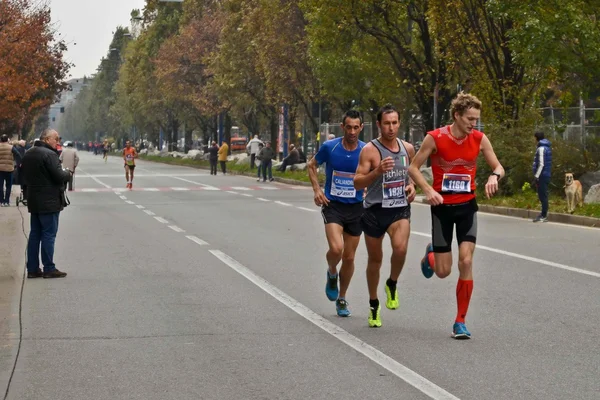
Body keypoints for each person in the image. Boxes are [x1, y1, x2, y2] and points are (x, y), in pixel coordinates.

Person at [408, 92, 504, 339]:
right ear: (457, 115)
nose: (474, 124)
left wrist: (495, 176)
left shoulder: (480, 139)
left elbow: (498, 166)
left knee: (467, 261)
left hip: (467, 207)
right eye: (470, 119)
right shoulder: (435, 138)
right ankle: (431, 254)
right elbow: (413, 167)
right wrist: (428, 189)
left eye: (476, 119)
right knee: (443, 272)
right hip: (441, 208)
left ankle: (460, 321)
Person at [353, 104, 416, 328]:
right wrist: (377, 171)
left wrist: (412, 187)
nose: (391, 128)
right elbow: (357, 181)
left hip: (399, 208)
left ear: (399, 123)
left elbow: (410, 175)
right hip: (374, 210)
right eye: (387, 123)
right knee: (375, 260)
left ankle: (392, 283)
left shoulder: (407, 149)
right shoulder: (370, 150)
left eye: (395, 123)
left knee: (400, 248)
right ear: (379, 124)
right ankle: (373, 303)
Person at [308, 110, 366, 317]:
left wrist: (369, 186)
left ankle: (342, 298)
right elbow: (311, 165)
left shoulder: (365, 150)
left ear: (361, 127)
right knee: (336, 249)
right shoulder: (330, 147)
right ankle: (332, 271)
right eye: (348, 127)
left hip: (357, 207)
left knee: (349, 258)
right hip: (333, 206)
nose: (352, 131)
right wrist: (317, 189)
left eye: (355, 127)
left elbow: (374, 173)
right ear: (342, 127)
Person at [21, 129, 71, 279]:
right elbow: (58, 176)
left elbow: (23, 176)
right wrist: (67, 173)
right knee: (49, 234)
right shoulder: (50, 155)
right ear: (47, 139)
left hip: (34, 199)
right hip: (49, 201)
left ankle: (32, 268)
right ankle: (49, 268)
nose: (58, 142)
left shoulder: (29, 153)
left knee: (35, 234)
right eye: (56, 139)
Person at [532, 131, 552, 222]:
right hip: (546, 174)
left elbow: (541, 164)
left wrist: (536, 176)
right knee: (543, 195)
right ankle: (543, 214)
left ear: (536, 138)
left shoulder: (541, 149)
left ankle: (543, 215)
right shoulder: (547, 147)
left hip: (542, 175)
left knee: (542, 196)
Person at [0, 134, 15, 206]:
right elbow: (17, 154)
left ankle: (1, 201)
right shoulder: (11, 147)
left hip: (0, 169)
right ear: (7, 140)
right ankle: (6, 201)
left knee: (0, 186)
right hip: (9, 169)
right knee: (8, 186)